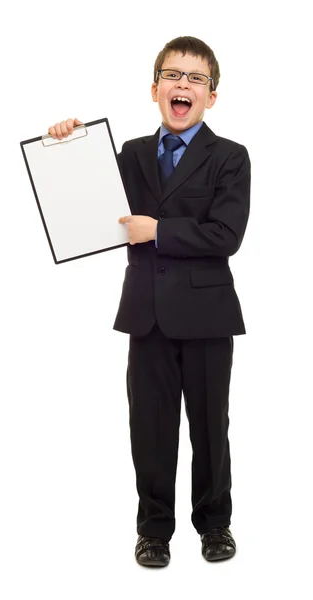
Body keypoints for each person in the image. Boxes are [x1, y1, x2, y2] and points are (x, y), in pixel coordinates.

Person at [48, 35, 251, 568]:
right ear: (155, 88)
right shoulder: (133, 154)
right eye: (173, 76)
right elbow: (84, 198)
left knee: (210, 426)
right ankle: (153, 530)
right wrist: (68, 142)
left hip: (207, 316)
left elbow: (226, 235)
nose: (183, 85)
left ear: (211, 96)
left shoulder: (230, 157)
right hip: (147, 315)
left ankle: (215, 526)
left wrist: (158, 231)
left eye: (196, 79)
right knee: (151, 428)